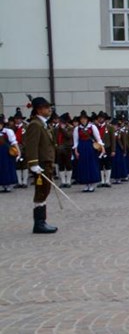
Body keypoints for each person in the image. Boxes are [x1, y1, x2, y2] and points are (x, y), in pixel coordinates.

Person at [22, 97, 57, 233]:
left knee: (45, 190)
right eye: (46, 107)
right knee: (41, 191)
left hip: (46, 162)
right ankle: (39, 223)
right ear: (39, 109)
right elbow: (32, 146)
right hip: (41, 164)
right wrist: (33, 163)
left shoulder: (43, 124)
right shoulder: (35, 125)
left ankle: (42, 221)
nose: (49, 109)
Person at [73, 111, 104, 193]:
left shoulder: (92, 127)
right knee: (83, 165)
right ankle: (86, 184)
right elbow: (75, 141)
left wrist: (101, 147)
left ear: (87, 119)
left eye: (84, 118)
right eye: (82, 119)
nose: (83, 120)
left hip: (90, 147)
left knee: (91, 165)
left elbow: (98, 138)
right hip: (82, 147)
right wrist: (76, 150)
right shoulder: (77, 129)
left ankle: (92, 184)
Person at [0, 114, 18, 192]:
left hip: (6, 153)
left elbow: (14, 142)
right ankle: (2, 185)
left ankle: (8, 185)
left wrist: (18, 152)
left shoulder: (8, 131)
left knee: (7, 168)